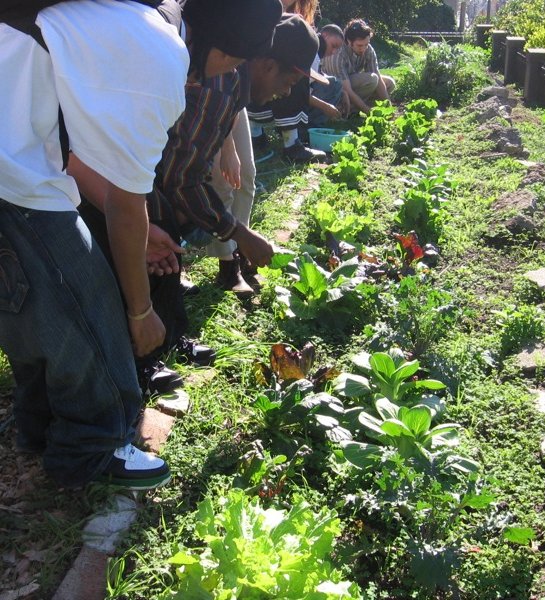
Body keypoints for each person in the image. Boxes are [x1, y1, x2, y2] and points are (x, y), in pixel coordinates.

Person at [0, 0, 189, 490]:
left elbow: (80, 160)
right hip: (14, 175)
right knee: (91, 308)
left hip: (14, 154)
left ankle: (40, 430)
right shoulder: (158, 51)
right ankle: (93, 450)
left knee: (24, 305)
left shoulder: (89, 22)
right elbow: (129, 205)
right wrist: (140, 311)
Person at [70, 0, 283, 393]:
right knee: (128, 258)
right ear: (223, 53)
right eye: (233, 64)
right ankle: (131, 367)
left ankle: (165, 337)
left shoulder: (182, 45)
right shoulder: (169, 59)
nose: (224, 76)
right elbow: (147, 184)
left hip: (108, 165)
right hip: (75, 164)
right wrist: (140, 310)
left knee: (160, 245)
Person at [247, 0, 348, 164]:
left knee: (297, 80)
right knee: (297, 82)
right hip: (262, 85)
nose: (287, 91)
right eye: (333, 46)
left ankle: (256, 134)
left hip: (261, 85)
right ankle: (289, 142)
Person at [321, 18, 396, 115]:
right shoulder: (338, 53)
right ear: (349, 41)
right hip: (333, 88)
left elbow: (378, 78)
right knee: (372, 79)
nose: (363, 49)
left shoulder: (368, 50)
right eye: (360, 45)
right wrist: (369, 113)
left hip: (351, 82)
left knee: (389, 83)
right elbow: (346, 89)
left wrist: (389, 108)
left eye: (366, 44)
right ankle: (347, 108)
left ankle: (354, 108)